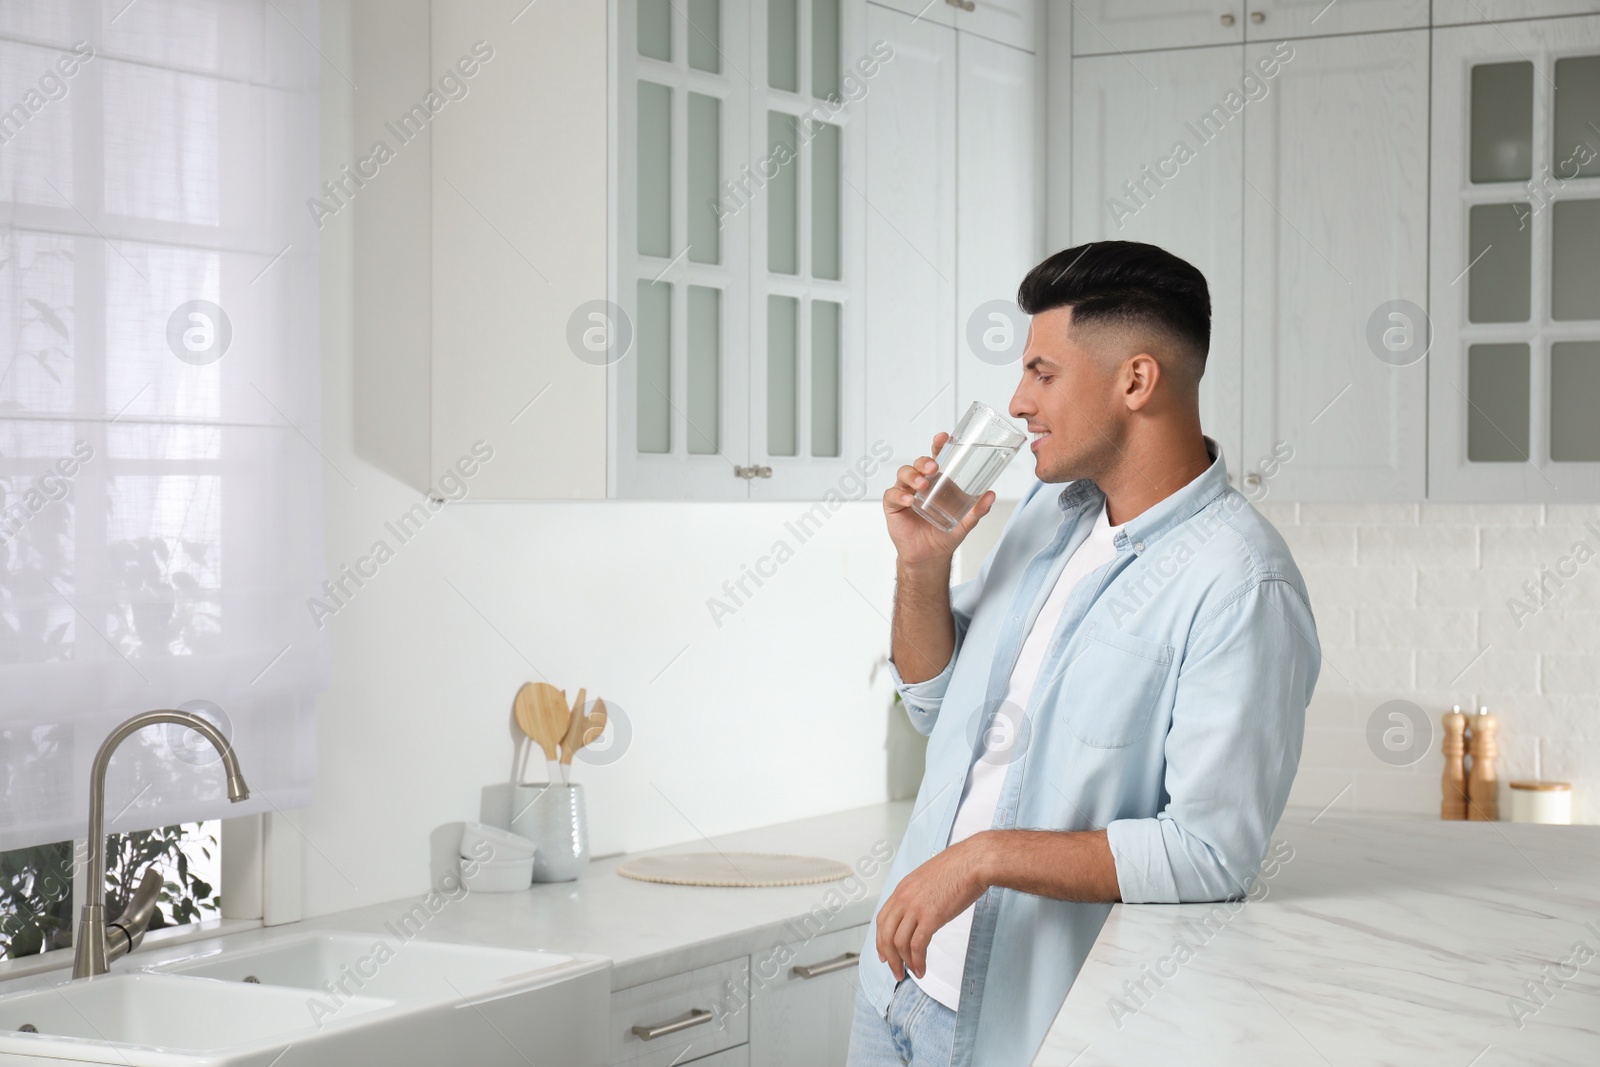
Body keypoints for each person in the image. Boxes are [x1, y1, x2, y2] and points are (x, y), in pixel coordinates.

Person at [847, 241, 1321, 1067]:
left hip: (1029, 1035)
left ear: (1136, 381)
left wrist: (986, 856)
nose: (1018, 401)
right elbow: (933, 704)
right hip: (893, 997)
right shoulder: (1045, 513)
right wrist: (921, 565)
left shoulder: (1241, 582)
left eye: (1042, 372)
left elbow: (1209, 853)